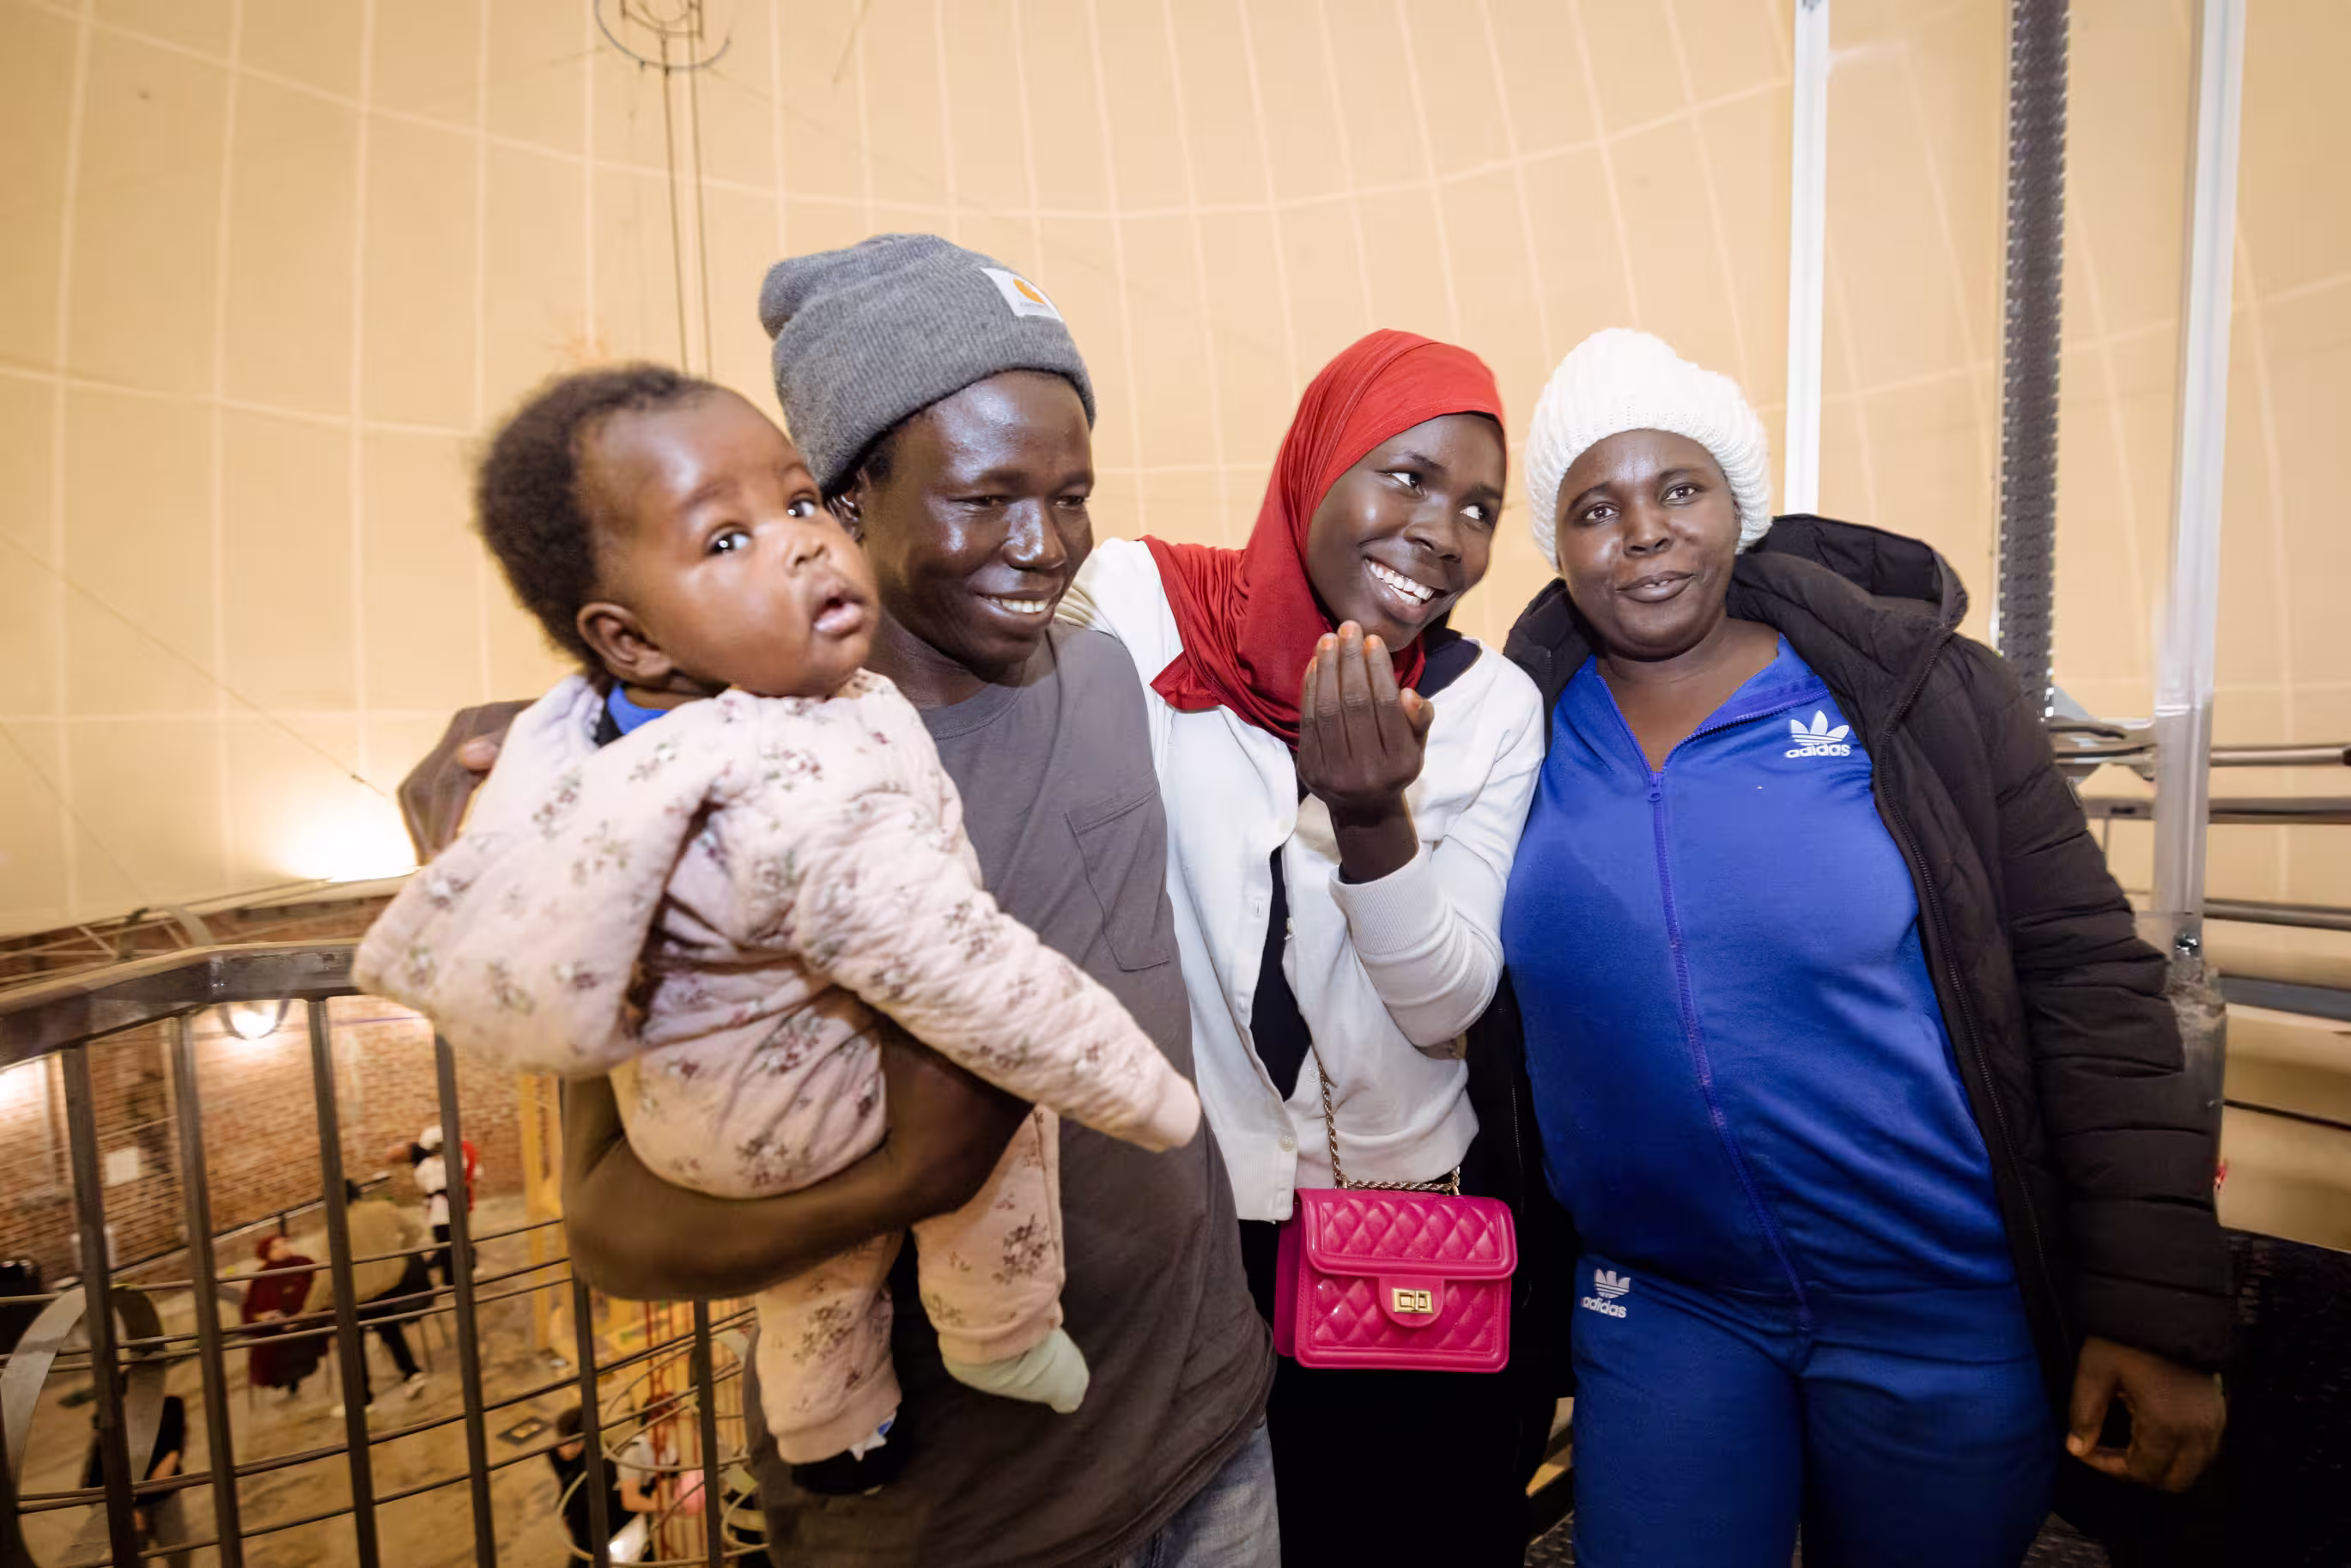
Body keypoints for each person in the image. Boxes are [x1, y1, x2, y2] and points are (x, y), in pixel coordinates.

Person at [395, 234, 1274, 1568]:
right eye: (984, 497)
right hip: (949, 1525)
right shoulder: (683, 802)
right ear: (843, 501)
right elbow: (612, 1224)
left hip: (1209, 1442)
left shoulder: (1101, 676)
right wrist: (915, 1172)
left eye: (1072, 493)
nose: (1040, 547)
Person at [1496, 329, 2232, 1567]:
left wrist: (2155, 1310)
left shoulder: (1921, 696)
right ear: (1556, 546)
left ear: (1740, 503)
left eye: (1678, 488)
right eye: (1593, 506)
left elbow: (2086, 980)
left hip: (1936, 1301)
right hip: (1663, 1302)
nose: (1642, 529)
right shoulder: (1511, 727)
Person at [1058, 329, 1556, 1566]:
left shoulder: (1490, 708)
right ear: (1315, 463)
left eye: (1478, 508)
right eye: (1407, 477)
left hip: (1402, 1234)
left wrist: (1376, 818)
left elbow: (1448, 1005)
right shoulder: (1136, 606)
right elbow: (927, 659)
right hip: (1190, 1224)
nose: (1443, 532)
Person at [323, 1179, 433, 1417]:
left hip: (359, 1294)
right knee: (388, 1327)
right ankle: (412, 1373)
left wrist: (308, 1309)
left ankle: (362, 1399)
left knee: (352, 1342)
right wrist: (398, 1255)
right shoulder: (383, 1208)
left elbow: (326, 1277)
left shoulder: (335, 1226)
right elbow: (414, 1230)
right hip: (392, 1285)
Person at [82, 1392, 189, 1568]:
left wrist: (174, 1454)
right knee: (134, 1557)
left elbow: (177, 1423)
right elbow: (91, 1486)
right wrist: (126, 1509)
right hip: (129, 1505)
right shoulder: (107, 1439)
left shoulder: (168, 1410)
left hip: (163, 1496)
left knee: (179, 1551)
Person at [549, 1403, 659, 1560]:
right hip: (592, 1531)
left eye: (570, 1442)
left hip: (605, 1530)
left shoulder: (600, 1462)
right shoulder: (561, 1457)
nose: (563, 1448)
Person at [241, 1231, 325, 1399]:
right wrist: (263, 1317)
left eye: (284, 1243)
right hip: (276, 1326)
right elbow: (250, 1310)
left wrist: (303, 1315)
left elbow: (321, 1290)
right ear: (267, 1252)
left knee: (295, 1339)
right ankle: (286, 1379)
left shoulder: (303, 1263)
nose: (283, 1248)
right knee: (269, 1345)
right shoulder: (260, 1277)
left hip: (307, 1320)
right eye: (276, 1247)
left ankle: (296, 1374)